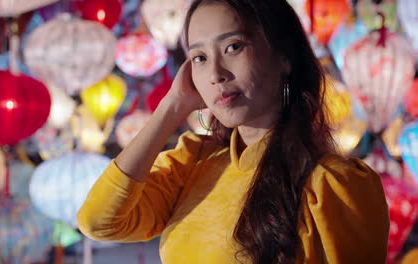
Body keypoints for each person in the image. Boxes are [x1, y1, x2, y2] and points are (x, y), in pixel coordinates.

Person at [77, 0, 390, 263]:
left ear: (284, 56)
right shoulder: (193, 164)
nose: (215, 74)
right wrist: (173, 107)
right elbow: (99, 222)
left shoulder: (332, 184)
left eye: (233, 47)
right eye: (199, 57)